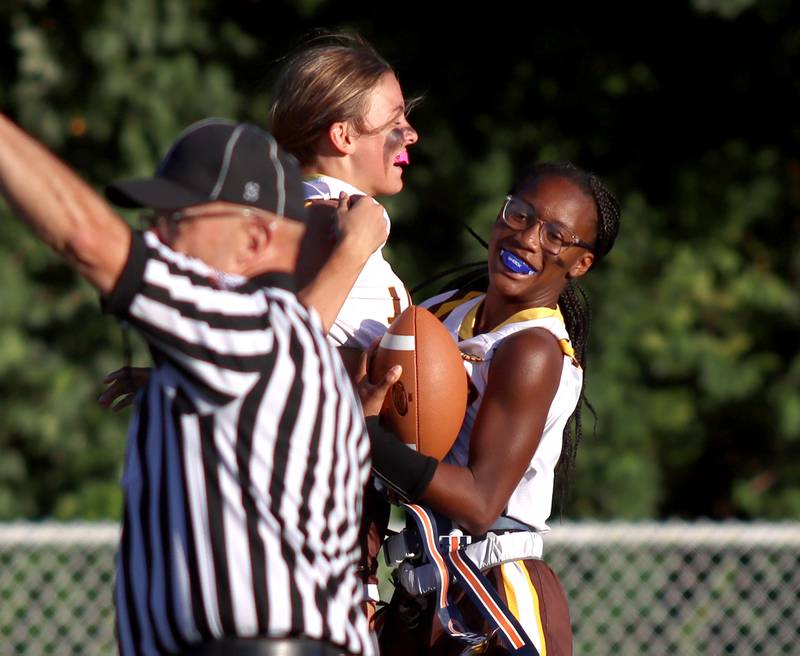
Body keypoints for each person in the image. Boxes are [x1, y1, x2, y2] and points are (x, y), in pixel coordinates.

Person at [0, 114, 398, 655]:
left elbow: (89, 239)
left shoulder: (246, 330)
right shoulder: (286, 341)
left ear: (255, 236)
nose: (156, 234)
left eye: (178, 217)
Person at [370, 162, 621, 656]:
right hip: (424, 585)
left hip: (495, 591)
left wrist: (359, 435)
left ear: (580, 264)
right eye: (521, 214)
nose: (528, 238)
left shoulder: (534, 350)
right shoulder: (445, 310)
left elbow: (482, 505)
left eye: (556, 235)